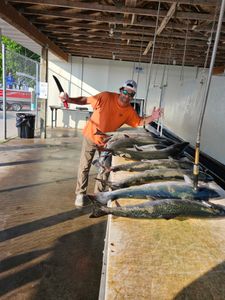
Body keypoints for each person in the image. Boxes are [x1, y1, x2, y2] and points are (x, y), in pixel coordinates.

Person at [59, 79, 162, 207]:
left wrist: (152, 117)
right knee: (85, 166)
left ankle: (98, 195)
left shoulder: (129, 111)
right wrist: (69, 99)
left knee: (105, 169)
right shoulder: (106, 96)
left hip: (107, 143)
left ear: (133, 97)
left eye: (131, 94)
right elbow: (85, 100)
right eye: (125, 92)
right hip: (91, 136)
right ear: (120, 90)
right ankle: (80, 194)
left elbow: (139, 122)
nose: (126, 96)